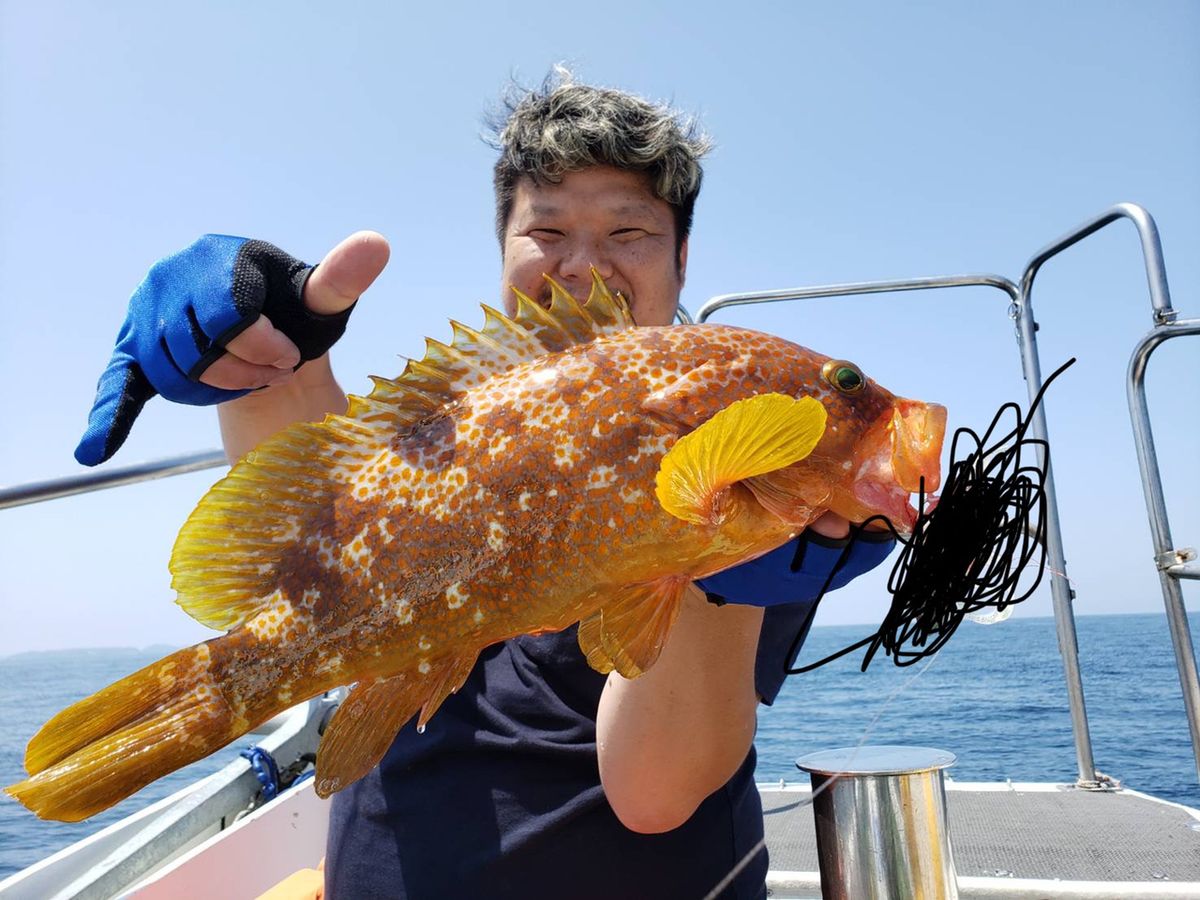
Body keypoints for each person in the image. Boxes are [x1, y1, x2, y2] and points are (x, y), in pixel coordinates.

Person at [76, 71, 895, 899]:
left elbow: (654, 790)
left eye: (629, 230)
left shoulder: (749, 451)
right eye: (547, 229)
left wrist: (719, 579)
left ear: (682, 259)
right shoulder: (448, 431)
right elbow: (309, 512)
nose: (585, 265)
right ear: (503, 246)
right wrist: (260, 342)